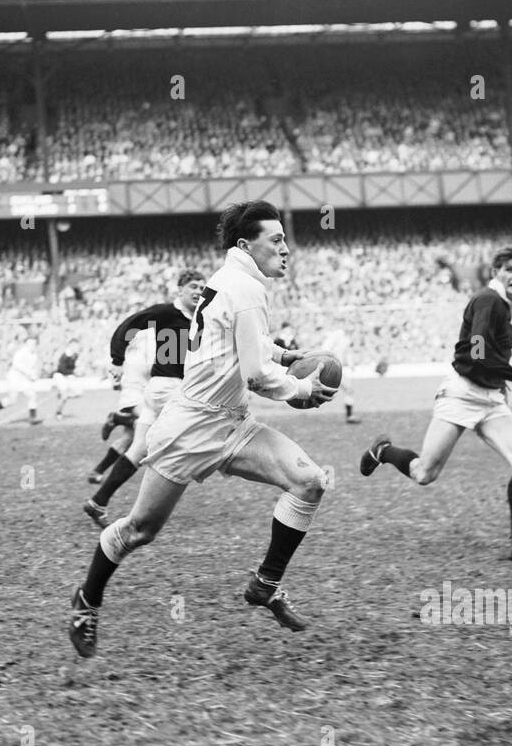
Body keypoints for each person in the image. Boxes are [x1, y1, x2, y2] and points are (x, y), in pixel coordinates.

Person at [69, 201, 336, 658]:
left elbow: (243, 342)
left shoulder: (230, 281)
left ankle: (264, 585)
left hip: (231, 422)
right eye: (276, 240)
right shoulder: (246, 287)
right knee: (138, 530)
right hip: (191, 427)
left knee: (309, 481)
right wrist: (301, 389)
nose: (286, 249)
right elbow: (254, 374)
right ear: (244, 245)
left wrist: (286, 356)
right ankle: (86, 600)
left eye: (285, 239)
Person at [358, 245, 512, 561]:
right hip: (462, 393)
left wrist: (503, 383)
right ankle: (383, 451)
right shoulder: (487, 300)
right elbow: (478, 356)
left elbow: (494, 355)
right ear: (495, 272)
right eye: (509, 269)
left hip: (491, 399)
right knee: (425, 474)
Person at [83, 270, 205, 528]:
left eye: (202, 287)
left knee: (138, 449)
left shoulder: (197, 320)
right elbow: (130, 325)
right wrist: (117, 359)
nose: (198, 291)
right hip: (168, 391)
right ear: (180, 290)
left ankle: (98, 501)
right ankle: (145, 514)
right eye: (193, 286)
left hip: (161, 390)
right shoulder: (165, 313)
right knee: (194, 438)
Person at [87, 324, 149, 484]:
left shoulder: (147, 338)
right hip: (136, 390)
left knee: (129, 438)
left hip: (143, 389)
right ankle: (117, 418)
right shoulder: (146, 339)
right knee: (151, 423)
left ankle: (97, 471)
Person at [320, 326, 360, 425]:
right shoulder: (338, 334)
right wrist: (329, 361)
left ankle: (349, 416)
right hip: (332, 366)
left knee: (343, 390)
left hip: (337, 367)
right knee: (348, 389)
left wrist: (351, 364)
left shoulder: (348, 338)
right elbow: (325, 347)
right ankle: (350, 416)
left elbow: (347, 351)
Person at [6, 335, 43, 426]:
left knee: (32, 395)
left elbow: (32, 368)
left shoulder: (34, 355)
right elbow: (16, 364)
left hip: (23, 378)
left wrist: (33, 375)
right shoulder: (21, 352)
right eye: (30, 343)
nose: (32, 345)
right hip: (14, 376)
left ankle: (32, 418)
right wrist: (29, 373)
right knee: (12, 400)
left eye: (34, 343)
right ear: (26, 344)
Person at [51, 338, 82, 420]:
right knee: (64, 397)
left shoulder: (75, 355)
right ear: (70, 345)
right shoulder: (65, 355)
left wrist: (75, 372)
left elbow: (73, 367)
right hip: (60, 376)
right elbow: (61, 369)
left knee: (78, 392)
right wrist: (73, 373)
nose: (77, 348)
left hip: (67, 376)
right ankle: (58, 413)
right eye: (75, 346)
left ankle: (60, 397)